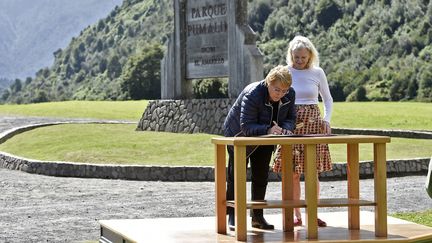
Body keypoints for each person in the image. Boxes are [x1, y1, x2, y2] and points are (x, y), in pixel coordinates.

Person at [223, 65, 297, 230]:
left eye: (285, 90)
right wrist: (268, 129)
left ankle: (257, 217)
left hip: (266, 137)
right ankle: (233, 215)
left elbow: (291, 117)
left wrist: (286, 128)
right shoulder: (253, 93)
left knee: (261, 176)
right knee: (236, 176)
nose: (281, 94)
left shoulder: (290, 94)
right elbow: (246, 125)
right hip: (239, 135)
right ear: (268, 82)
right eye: (277, 89)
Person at [273, 35, 334, 227]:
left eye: (303, 58)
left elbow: (328, 99)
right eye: (296, 57)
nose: (299, 61)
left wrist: (326, 120)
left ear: (310, 56)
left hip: (314, 124)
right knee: (291, 172)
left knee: (312, 172)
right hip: (290, 123)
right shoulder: (285, 72)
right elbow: (275, 95)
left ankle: (312, 213)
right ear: (291, 55)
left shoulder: (318, 72)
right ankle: (295, 214)